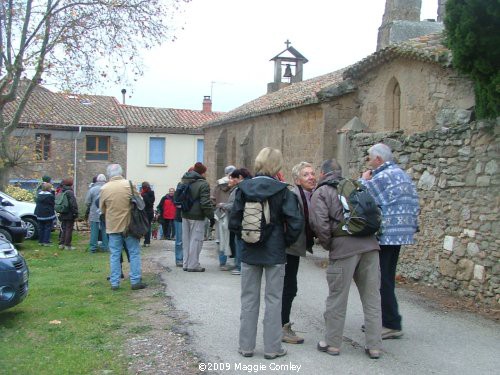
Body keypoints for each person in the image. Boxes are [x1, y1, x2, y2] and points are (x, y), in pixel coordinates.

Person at [229, 147, 303, 360]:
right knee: (274, 300)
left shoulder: (243, 189)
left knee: (249, 299)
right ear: (277, 165)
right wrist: (283, 242)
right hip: (275, 253)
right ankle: (272, 348)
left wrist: (246, 239)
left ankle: (246, 346)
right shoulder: (283, 191)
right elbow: (296, 222)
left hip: (250, 251)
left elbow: (234, 221)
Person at [309, 158, 382, 359]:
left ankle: (332, 343)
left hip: (344, 249)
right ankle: (374, 346)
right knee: (372, 297)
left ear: (323, 174)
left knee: (337, 297)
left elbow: (319, 223)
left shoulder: (322, 191)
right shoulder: (355, 186)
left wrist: (329, 244)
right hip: (370, 246)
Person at [360, 143, 419, 340]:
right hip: (400, 234)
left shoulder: (382, 176)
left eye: (369, 158)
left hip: (387, 235)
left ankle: (391, 323)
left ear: (378, 159)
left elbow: (360, 194)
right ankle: (382, 319)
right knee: (386, 276)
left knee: (380, 278)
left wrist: (363, 178)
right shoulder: (400, 173)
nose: (368, 162)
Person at [281, 161, 317, 345]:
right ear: (297, 179)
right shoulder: (295, 195)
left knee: (288, 287)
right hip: (288, 250)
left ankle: (281, 325)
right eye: (306, 174)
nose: (311, 177)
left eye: (312, 173)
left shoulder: (307, 195)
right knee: (288, 288)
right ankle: (282, 327)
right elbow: (294, 225)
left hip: (292, 249)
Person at [99, 164, 146, 291]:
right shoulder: (129, 185)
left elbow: (102, 209)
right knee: (134, 253)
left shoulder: (104, 188)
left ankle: (115, 282)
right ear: (121, 172)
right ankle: (135, 280)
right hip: (130, 226)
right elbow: (140, 202)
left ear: (109, 174)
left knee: (114, 254)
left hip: (113, 226)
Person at [175, 162, 215, 272]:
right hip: (197, 215)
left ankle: (186, 263)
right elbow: (205, 203)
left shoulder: (184, 180)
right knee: (196, 240)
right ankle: (193, 265)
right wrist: (211, 216)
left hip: (184, 213)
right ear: (202, 172)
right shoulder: (203, 184)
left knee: (186, 240)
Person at [222, 168, 252, 275]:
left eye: (234, 178)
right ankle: (238, 264)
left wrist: (224, 206)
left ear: (240, 177)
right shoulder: (246, 185)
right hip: (244, 219)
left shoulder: (242, 187)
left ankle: (240, 266)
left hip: (241, 220)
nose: (232, 180)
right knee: (238, 243)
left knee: (240, 244)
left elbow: (237, 205)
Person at [212, 165, 236, 270]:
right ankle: (236, 262)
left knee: (221, 238)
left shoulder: (218, 184)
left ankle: (222, 263)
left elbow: (212, 199)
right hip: (232, 213)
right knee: (233, 238)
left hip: (220, 213)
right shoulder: (235, 183)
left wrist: (217, 205)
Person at [85, 174, 108, 253]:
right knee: (105, 231)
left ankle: (93, 248)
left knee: (94, 232)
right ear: (105, 180)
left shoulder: (92, 189)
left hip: (94, 213)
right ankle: (105, 247)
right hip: (105, 213)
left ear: (97, 180)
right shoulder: (108, 189)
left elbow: (87, 202)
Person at [58, 178, 78, 250]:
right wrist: (75, 212)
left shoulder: (62, 191)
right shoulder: (70, 192)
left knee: (64, 228)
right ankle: (67, 245)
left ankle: (61, 244)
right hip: (69, 213)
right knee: (69, 229)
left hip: (63, 212)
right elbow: (73, 203)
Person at [140, 182, 155, 247]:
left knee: (146, 227)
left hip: (147, 212)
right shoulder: (151, 193)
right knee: (148, 226)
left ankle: (147, 241)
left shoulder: (146, 194)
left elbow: (148, 203)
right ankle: (147, 241)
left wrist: (143, 195)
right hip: (150, 212)